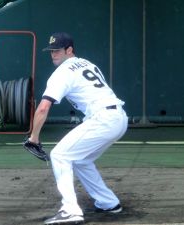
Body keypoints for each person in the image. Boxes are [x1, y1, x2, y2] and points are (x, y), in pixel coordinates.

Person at [27, 32, 128, 224]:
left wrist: (34, 137)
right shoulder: (87, 64)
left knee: (60, 155)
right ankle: (108, 202)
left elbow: (43, 108)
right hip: (117, 118)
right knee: (81, 160)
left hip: (104, 119)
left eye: (57, 50)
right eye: (51, 51)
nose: (53, 54)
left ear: (69, 50)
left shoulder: (63, 72)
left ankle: (70, 210)